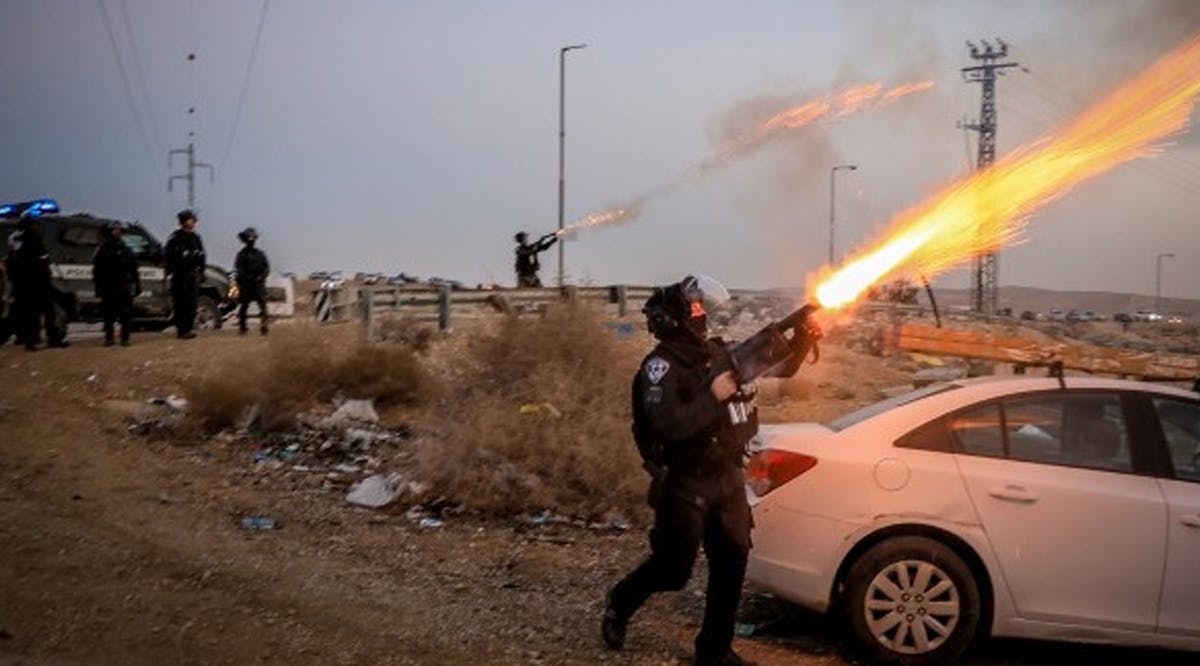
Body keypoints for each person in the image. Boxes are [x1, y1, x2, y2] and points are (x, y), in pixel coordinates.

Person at [602, 275, 818, 666]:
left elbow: (777, 366)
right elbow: (668, 426)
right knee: (673, 569)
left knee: (732, 562)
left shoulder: (718, 353)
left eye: (702, 308)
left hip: (727, 476)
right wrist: (714, 395)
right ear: (673, 319)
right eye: (694, 309)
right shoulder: (660, 368)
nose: (702, 316)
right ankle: (620, 602)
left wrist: (802, 336)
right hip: (686, 481)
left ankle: (714, 649)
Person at [5, 213, 67, 351]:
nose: (37, 226)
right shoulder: (27, 242)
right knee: (34, 314)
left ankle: (43, 340)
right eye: (35, 224)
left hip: (33, 282)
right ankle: (34, 341)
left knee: (43, 312)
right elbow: (28, 263)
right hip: (32, 283)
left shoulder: (21, 241)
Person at [91, 221, 141, 346]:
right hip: (108, 286)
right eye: (115, 230)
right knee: (108, 314)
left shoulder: (126, 249)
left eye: (120, 231)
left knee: (126, 314)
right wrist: (98, 288)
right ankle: (109, 338)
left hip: (124, 285)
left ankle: (125, 338)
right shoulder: (103, 250)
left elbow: (134, 269)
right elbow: (97, 271)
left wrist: (137, 284)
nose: (118, 233)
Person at [164, 209, 206, 339]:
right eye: (191, 219)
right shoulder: (175, 238)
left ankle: (188, 328)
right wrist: (171, 271)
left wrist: (201, 271)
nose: (193, 222)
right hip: (179, 274)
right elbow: (168, 257)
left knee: (191, 303)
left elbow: (202, 255)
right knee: (180, 303)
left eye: (193, 220)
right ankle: (181, 330)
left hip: (192, 274)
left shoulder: (196, 238)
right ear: (184, 221)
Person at [234, 227, 270, 335]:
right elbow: (238, 268)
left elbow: (267, 268)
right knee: (244, 306)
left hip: (258, 283)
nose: (251, 240)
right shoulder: (241, 254)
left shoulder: (260, 254)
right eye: (249, 238)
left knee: (263, 306)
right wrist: (245, 277)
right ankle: (242, 327)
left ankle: (264, 327)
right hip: (246, 284)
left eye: (252, 237)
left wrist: (261, 277)